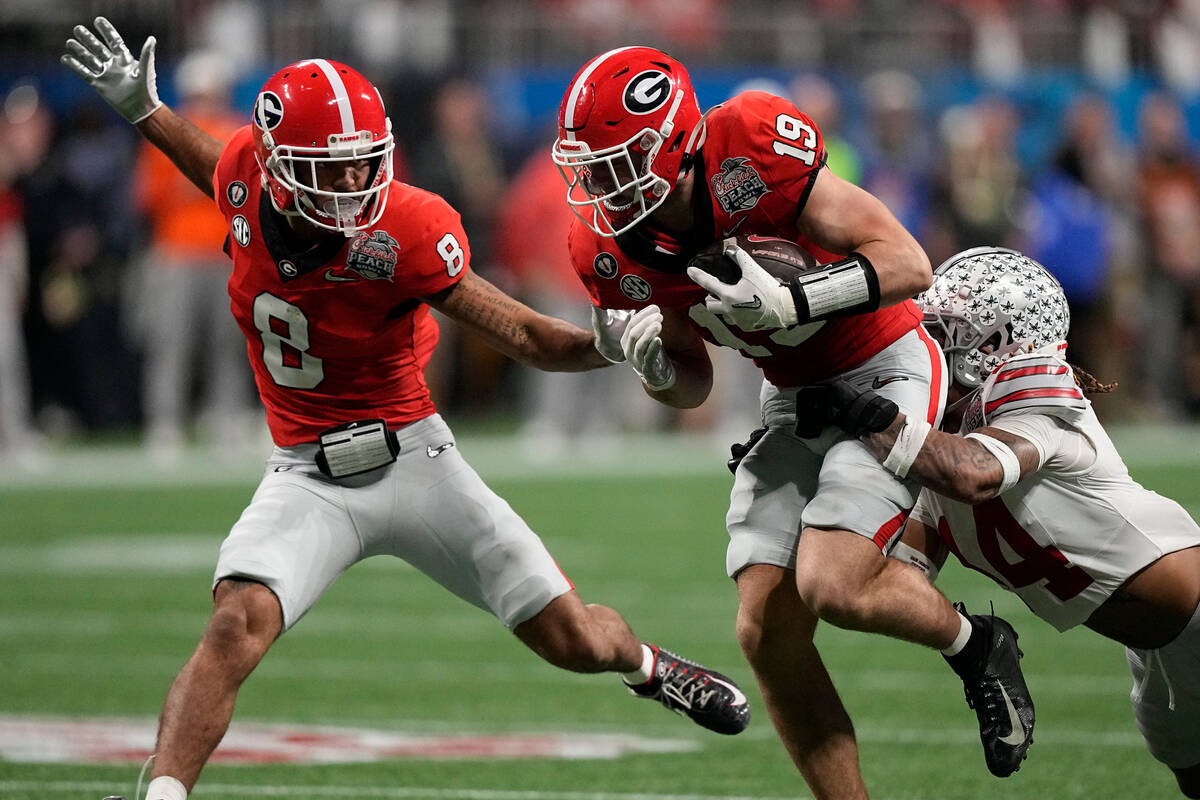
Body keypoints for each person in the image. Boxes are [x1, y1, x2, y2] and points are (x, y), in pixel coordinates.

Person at [61, 19, 749, 800]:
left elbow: (520, 331)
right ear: (278, 170)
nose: (354, 186)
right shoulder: (247, 180)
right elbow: (212, 167)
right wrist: (145, 112)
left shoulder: (407, 227)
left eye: (361, 165)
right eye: (332, 172)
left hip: (416, 459)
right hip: (306, 475)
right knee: (234, 625)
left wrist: (611, 347)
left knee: (574, 639)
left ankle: (649, 668)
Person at [550, 46, 1034, 797]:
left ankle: (977, 646)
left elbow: (908, 262)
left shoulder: (749, 143)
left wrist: (800, 298)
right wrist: (649, 366)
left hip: (886, 360)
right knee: (765, 633)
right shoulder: (606, 246)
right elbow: (693, 386)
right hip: (794, 391)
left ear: (674, 140)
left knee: (834, 584)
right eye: (590, 166)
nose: (599, 188)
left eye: (618, 164)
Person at [796, 246, 1200, 798]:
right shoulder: (930, 442)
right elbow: (891, 579)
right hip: (1154, 647)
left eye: (946, 328)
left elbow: (975, 473)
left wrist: (865, 412)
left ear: (997, 344)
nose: (925, 339)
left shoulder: (1037, 390)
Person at [130, 49, 254, 462]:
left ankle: (227, 418)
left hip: (225, 253)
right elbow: (147, 197)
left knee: (229, 344)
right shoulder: (169, 133)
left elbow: (249, 195)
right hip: (178, 253)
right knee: (173, 342)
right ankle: (165, 422)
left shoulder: (238, 132)